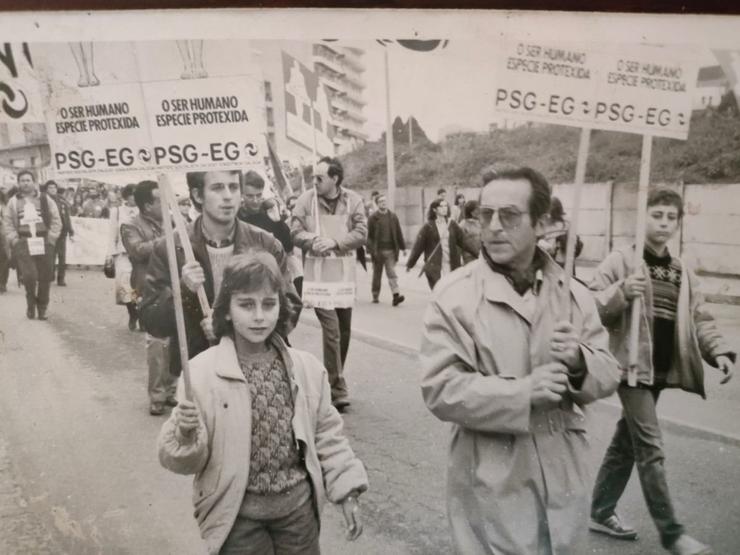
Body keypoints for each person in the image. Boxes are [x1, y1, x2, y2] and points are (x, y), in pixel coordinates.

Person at [419, 165, 620, 554]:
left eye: (508, 216)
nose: (492, 227)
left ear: (542, 223)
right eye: (485, 214)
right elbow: (439, 388)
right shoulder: (454, 296)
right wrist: (523, 393)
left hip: (563, 473)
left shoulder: (572, 294)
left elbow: (608, 372)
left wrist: (579, 360)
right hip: (492, 475)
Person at [158, 252, 368, 555]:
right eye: (246, 304)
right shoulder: (201, 375)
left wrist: (348, 492)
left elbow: (327, 435)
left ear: (281, 307)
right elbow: (188, 462)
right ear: (227, 310)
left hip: (298, 515)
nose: (259, 316)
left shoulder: (306, 369)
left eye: (269, 304)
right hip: (238, 520)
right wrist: (185, 435)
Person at [588, 187, 736, 555]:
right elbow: (589, 304)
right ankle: (672, 534)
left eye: (672, 217)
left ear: (679, 223)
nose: (664, 223)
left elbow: (700, 317)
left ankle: (600, 511)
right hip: (629, 367)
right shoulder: (623, 260)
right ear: (643, 217)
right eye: (657, 215)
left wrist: (718, 351)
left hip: (660, 370)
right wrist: (623, 290)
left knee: (628, 443)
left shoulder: (680, 269)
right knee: (650, 447)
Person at [138, 170, 296, 383]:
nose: (228, 196)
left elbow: (290, 309)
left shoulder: (266, 244)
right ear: (197, 195)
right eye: (217, 188)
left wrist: (229, 329)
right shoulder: (170, 247)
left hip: (258, 368)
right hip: (199, 371)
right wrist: (184, 290)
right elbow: (152, 321)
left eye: (233, 187)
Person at [291, 157, 367, 412]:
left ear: (335, 179)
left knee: (344, 330)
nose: (314, 182)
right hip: (317, 277)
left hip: (343, 277)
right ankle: (337, 387)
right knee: (332, 329)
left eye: (319, 178)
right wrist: (313, 240)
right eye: (313, 177)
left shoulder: (353, 200)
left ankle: (333, 378)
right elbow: (294, 231)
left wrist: (335, 242)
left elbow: (362, 232)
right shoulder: (305, 200)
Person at [121, 180, 176, 415]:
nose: (164, 204)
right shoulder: (130, 226)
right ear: (146, 205)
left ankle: (171, 389)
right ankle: (157, 396)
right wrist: (170, 240)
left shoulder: (170, 222)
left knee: (174, 340)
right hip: (149, 289)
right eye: (158, 200)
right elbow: (138, 250)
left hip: (174, 286)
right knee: (156, 343)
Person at [2, 170, 62, 320]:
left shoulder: (45, 199)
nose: (25, 183)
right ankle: (30, 303)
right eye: (22, 180)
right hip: (23, 242)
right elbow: (7, 222)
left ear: (34, 182)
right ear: (18, 183)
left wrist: (52, 238)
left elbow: (56, 218)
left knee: (45, 277)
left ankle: (42, 308)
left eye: (28, 180)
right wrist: (14, 239)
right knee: (29, 276)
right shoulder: (13, 201)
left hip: (45, 241)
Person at [406, 198, 475, 290]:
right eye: (441, 206)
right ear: (434, 210)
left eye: (446, 206)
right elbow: (418, 247)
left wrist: (478, 253)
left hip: (451, 263)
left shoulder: (452, 224)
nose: (444, 208)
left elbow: (464, 242)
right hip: (435, 265)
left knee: (451, 289)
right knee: (439, 291)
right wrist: (410, 264)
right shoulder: (428, 226)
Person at [108, 184, 140, 331]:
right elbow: (112, 233)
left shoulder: (144, 210)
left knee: (141, 285)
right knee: (125, 285)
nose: (134, 197)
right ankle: (132, 314)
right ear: (126, 196)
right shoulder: (117, 211)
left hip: (141, 253)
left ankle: (143, 317)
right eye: (132, 194)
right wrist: (110, 254)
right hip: (123, 253)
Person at [367, 193, 405, 306]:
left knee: (391, 272)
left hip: (391, 251)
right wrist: (370, 250)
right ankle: (375, 294)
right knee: (377, 275)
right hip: (378, 251)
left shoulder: (393, 216)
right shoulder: (373, 218)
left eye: (385, 201)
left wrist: (403, 247)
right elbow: (369, 236)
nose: (383, 203)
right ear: (377, 204)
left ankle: (396, 295)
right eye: (381, 201)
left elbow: (398, 232)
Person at [538, 196, 583, 273]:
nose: (548, 216)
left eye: (550, 213)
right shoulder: (566, 223)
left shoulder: (564, 224)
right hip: (558, 261)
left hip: (560, 261)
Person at [43, 180, 75, 286]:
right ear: (46, 190)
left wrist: (70, 230)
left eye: (54, 187)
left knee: (62, 257)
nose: (52, 190)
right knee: (50, 255)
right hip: (49, 232)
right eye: (50, 188)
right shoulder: (43, 201)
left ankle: (61, 278)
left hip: (62, 232)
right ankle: (49, 275)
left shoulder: (61, 201)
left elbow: (66, 217)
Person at [458, 199, 481, 265]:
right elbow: (459, 243)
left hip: (481, 257)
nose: (479, 211)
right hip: (469, 258)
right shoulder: (463, 224)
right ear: (471, 211)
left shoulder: (481, 223)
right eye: (477, 209)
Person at [0, 188, 10, 293]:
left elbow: (7, 221)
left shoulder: (4, 206)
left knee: (3, 259)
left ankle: (2, 283)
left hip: (2, 237)